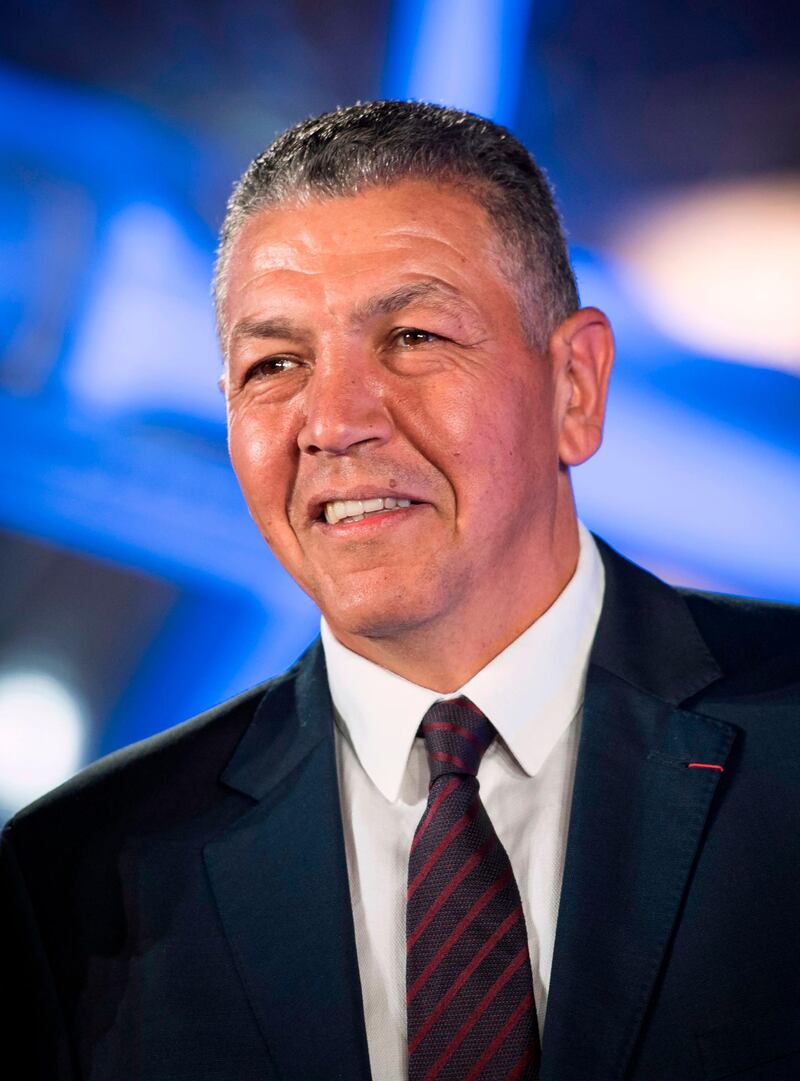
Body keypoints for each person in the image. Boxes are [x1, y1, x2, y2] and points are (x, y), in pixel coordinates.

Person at [2, 101, 799, 1081]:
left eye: (414, 337)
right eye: (274, 363)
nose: (333, 420)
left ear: (574, 383)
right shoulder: (93, 882)